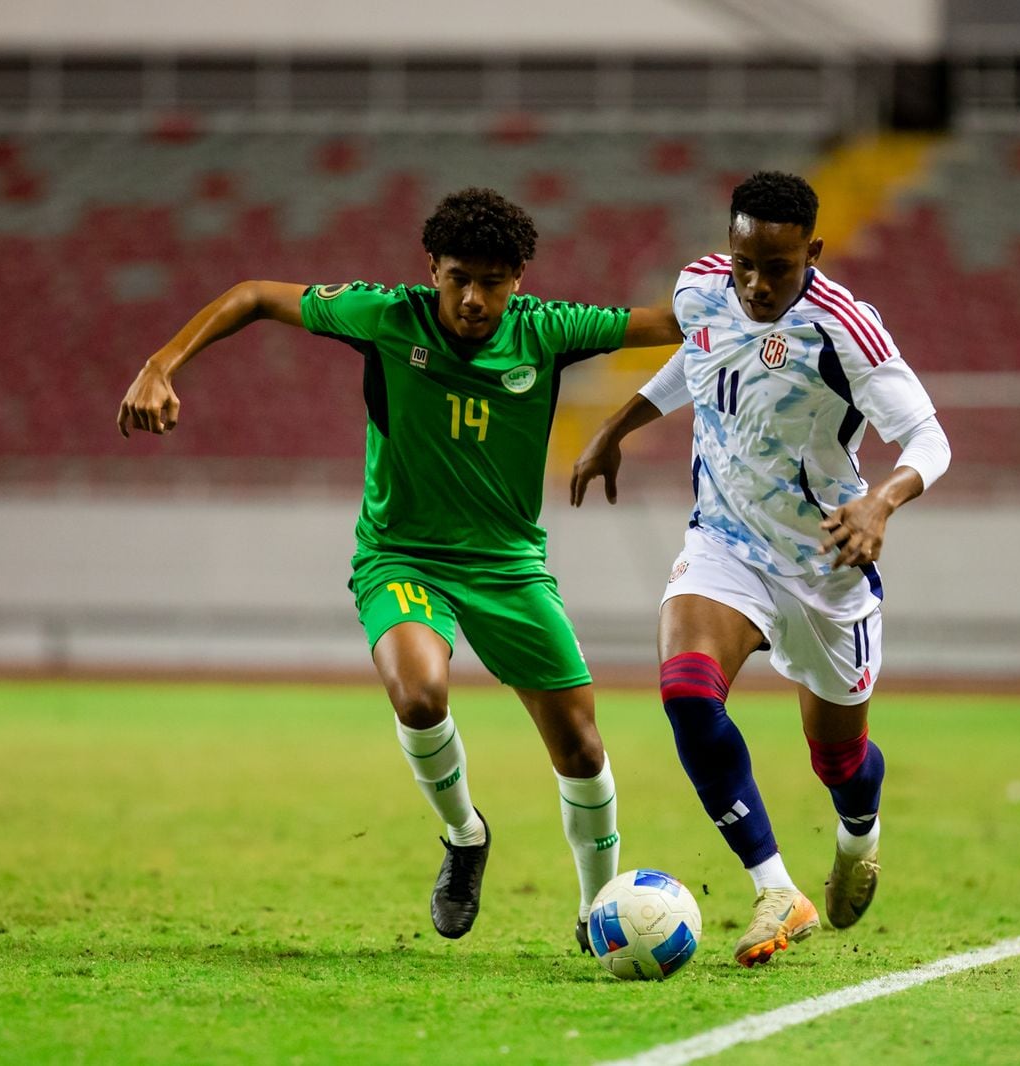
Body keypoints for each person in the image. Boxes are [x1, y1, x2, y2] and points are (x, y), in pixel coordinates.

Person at [117, 187, 683, 951]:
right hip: (401, 555)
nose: (474, 299)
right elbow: (253, 295)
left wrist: (766, 292)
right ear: (431, 268)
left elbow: (676, 320)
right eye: (458, 278)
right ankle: (464, 836)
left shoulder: (549, 330)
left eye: (492, 281)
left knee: (580, 744)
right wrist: (160, 363)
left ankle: (596, 912)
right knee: (419, 695)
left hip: (508, 566)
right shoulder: (386, 315)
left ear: (520, 276)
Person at [570, 171, 951, 967]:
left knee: (838, 760)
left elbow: (929, 439)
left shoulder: (846, 327)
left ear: (811, 252)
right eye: (744, 262)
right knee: (686, 691)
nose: (755, 283)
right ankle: (776, 886)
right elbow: (700, 358)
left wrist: (879, 503)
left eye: (776, 267)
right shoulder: (703, 289)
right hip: (724, 542)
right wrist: (619, 423)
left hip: (824, 560)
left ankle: (859, 835)